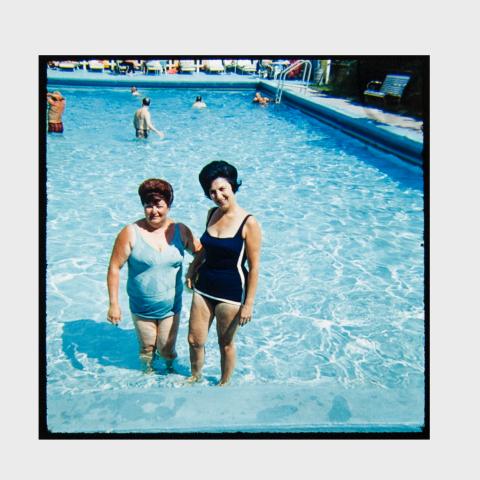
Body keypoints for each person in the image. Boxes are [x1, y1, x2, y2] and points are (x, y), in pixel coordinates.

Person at [107, 179, 202, 372]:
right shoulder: (130, 233)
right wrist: (114, 305)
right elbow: (114, 268)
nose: (154, 211)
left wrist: (192, 271)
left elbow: (201, 252)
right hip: (142, 308)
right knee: (147, 349)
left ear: (168, 205)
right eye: (148, 205)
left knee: (167, 351)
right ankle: (147, 376)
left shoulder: (181, 231)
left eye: (159, 205)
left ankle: (169, 372)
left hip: (170, 306)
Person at [186, 161, 262, 385]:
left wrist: (248, 304)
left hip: (230, 291)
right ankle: (195, 377)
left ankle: (224, 384)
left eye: (222, 189)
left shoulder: (249, 222)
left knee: (225, 343)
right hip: (204, 285)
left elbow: (255, 266)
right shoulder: (211, 213)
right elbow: (204, 249)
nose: (218, 196)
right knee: (194, 340)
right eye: (212, 192)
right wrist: (192, 269)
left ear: (232, 186)